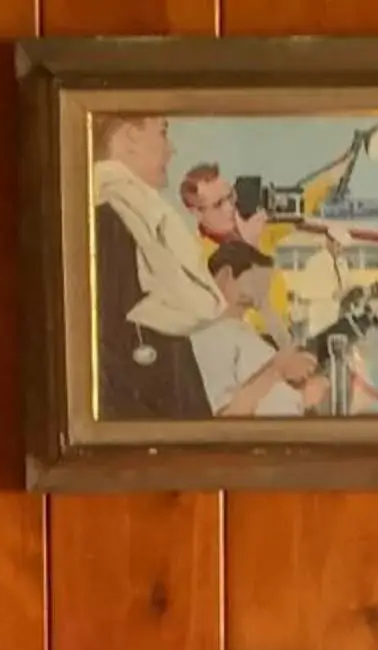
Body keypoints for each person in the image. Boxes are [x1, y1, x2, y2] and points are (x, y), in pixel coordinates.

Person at [90, 113, 228, 420]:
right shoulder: (111, 223)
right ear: (130, 136)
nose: (172, 149)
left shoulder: (127, 218)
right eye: (163, 132)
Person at [191, 240, 320, 416]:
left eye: (266, 287)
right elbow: (226, 416)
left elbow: (287, 351)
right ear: (226, 276)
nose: (261, 294)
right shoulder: (210, 335)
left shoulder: (242, 331)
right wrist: (276, 370)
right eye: (256, 284)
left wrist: (266, 309)